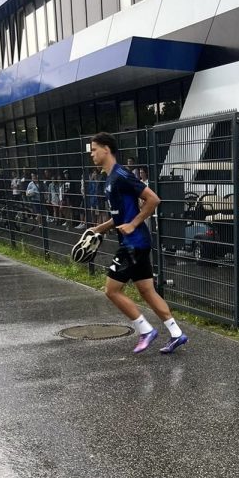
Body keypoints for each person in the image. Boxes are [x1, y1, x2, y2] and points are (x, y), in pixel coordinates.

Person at [89, 132, 188, 354]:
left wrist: (133, 224)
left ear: (107, 149)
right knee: (146, 290)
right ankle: (176, 334)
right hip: (137, 242)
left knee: (111, 290)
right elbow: (120, 216)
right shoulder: (110, 178)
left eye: (94, 149)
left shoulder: (121, 174)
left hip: (133, 242)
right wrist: (98, 229)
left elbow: (153, 199)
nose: (92, 154)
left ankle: (145, 330)